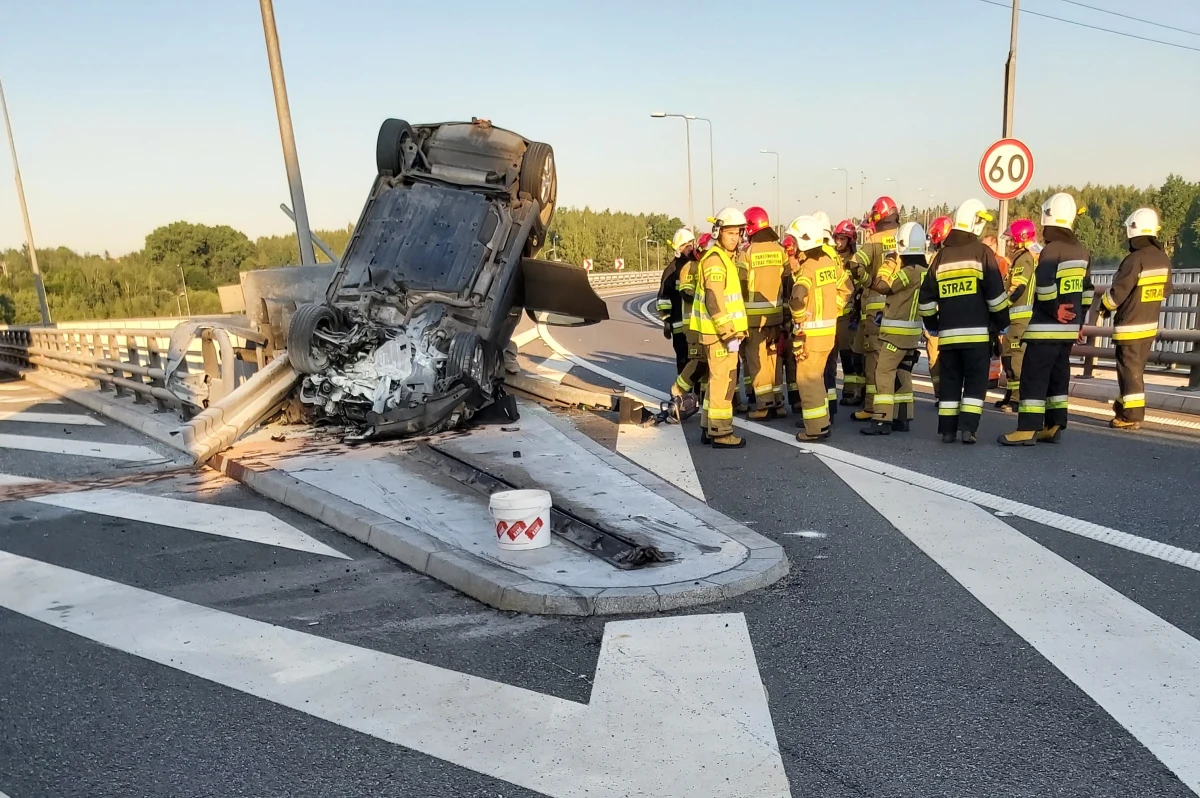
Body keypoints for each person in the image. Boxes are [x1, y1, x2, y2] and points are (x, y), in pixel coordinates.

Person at [999, 192, 1092, 446]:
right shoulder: (1082, 251)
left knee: (1034, 376)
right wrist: (1079, 322)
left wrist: (1053, 309)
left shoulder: (1052, 250)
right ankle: (1053, 425)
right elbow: (1087, 291)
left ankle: (1027, 428)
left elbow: (1044, 284)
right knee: (1058, 377)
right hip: (1069, 329)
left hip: (1046, 328)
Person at [918, 199, 1010, 444]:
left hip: (948, 337)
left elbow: (925, 299)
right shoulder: (982, 253)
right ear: (976, 223)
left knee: (950, 383)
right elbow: (996, 297)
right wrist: (1001, 322)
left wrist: (934, 324)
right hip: (977, 337)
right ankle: (968, 429)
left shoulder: (941, 257)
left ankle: (947, 430)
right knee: (974, 384)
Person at [1100, 207, 1172, 430]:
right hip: (1149, 326)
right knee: (1135, 370)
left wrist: (1103, 306)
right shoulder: (1162, 259)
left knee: (1128, 371)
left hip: (1130, 326)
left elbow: (1117, 294)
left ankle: (1131, 415)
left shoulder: (1134, 260)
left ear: (1134, 230)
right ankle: (1123, 407)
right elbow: (1166, 291)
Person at [691, 207, 749, 449]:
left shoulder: (723, 258)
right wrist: (728, 333)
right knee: (723, 383)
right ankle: (721, 432)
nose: (735, 238)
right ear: (718, 233)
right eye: (730, 233)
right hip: (720, 335)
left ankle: (708, 426)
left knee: (716, 381)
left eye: (738, 233)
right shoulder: (716, 260)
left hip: (718, 333)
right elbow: (714, 300)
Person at [861, 221, 927, 436]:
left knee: (884, 372)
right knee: (903, 374)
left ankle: (881, 419)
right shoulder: (924, 271)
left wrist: (888, 264)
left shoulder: (909, 272)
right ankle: (902, 417)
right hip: (912, 333)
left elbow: (883, 286)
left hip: (895, 335)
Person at [785, 216, 840, 441]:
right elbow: (846, 288)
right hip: (828, 333)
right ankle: (822, 422)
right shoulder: (829, 261)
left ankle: (815, 429)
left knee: (807, 380)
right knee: (817, 378)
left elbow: (797, 299)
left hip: (811, 335)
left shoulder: (807, 269)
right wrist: (833, 311)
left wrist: (799, 324)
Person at [852, 197, 901, 423]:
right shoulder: (904, 237)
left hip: (876, 310)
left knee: (875, 359)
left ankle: (873, 407)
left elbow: (855, 265)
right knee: (898, 359)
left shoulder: (874, 241)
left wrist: (869, 283)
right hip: (901, 309)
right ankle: (898, 410)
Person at [739, 206, 789, 419]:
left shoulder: (747, 253)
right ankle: (778, 402)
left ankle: (763, 405)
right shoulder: (780, 250)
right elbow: (788, 282)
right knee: (774, 360)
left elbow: (741, 285)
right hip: (776, 316)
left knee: (756, 360)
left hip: (754, 320)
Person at [994, 219, 1038, 412]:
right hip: (1013, 319)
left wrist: (1002, 306)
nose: (1010, 243)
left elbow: (1017, 288)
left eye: (1012, 240)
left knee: (1016, 357)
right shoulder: (1019, 259)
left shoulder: (1024, 259)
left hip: (1020, 319)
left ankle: (1017, 398)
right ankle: (1010, 394)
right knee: (1008, 357)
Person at [832, 219, 870, 407]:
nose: (839, 243)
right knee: (833, 354)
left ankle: (850, 388)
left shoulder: (854, 260)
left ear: (850, 240)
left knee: (848, 353)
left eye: (843, 239)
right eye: (837, 238)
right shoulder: (832, 258)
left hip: (848, 314)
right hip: (832, 314)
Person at [671, 232, 710, 401]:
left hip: (707, 323)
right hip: (693, 324)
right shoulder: (689, 268)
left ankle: (704, 396)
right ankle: (677, 390)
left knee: (708, 364)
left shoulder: (706, 266)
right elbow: (686, 293)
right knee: (698, 361)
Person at [658, 227, 696, 374]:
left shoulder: (698, 265)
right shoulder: (671, 271)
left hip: (696, 324)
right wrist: (667, 321)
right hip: (679, 325)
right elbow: (663, 298)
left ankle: (698, 388)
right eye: (685, 245)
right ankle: (682, 388)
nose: (690, 248)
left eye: (691, 244)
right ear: (678, 249)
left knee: (699, 361)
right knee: (683, 360)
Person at [924, 215, 953, 400]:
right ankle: (944, 393)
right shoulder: (947, 256)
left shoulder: (939, 258)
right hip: (948, 315)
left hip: (939, 316)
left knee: (937, 357)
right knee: (940, 357)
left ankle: (943, 393)